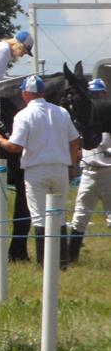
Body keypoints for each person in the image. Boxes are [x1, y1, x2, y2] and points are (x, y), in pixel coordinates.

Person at [0, 75, 80, 267]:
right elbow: (74, 140)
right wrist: (71, 164)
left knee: (39, 216)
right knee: (60, 214)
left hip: (36, 170)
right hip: (60, 168)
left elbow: (15, 147)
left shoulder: (23, 115)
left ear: (24, 94)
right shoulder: (61, 112)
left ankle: (44, 262)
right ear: (41, 92)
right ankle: (61, 261)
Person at [69, 78, 111, 263]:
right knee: (80, 215)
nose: (96, 98)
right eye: (92, 95)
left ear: (105, 94)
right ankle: (71, 257)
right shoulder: (86, 117)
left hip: (108, 172)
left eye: (98, 94)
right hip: (88, 172)